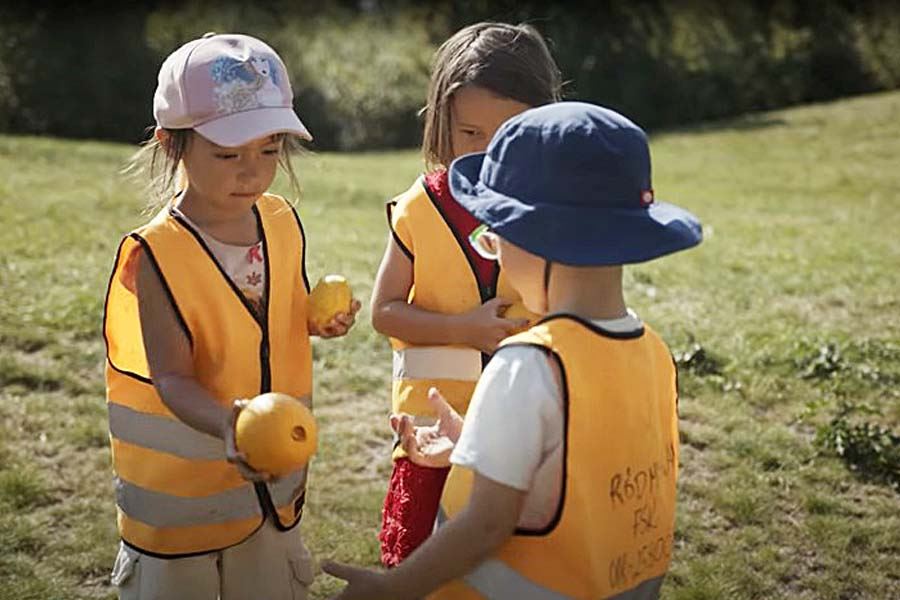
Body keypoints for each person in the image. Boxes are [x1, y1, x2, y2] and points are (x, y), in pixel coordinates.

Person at [324, 101, 703, 599]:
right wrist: (472, 449)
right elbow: (575, 476)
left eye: (495, 234)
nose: (496, 249)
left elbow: (486, 526)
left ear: (537, 238)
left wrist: (393, 588)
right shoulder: (654, 353)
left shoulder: (528, 364)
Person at [103, 32, 359, 600]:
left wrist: (318, 321)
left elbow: (272, 314)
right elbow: (171, 376)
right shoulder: (158, 255)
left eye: (269, 151)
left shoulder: (281, 223)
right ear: (173, 145)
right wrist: (228, 425)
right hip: (180, 511)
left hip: (271, 492)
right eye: (228, 154)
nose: (253, 172)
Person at [370, 21, 564, 568]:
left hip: (523, 433)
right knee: (427, 565)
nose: (487, 153)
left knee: (510, 564)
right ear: (441, 125)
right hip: (432, 435)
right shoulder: (418, 208)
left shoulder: (552, 210)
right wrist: (462, 331)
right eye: (469, 134)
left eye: (509, 134)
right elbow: (384, 312)